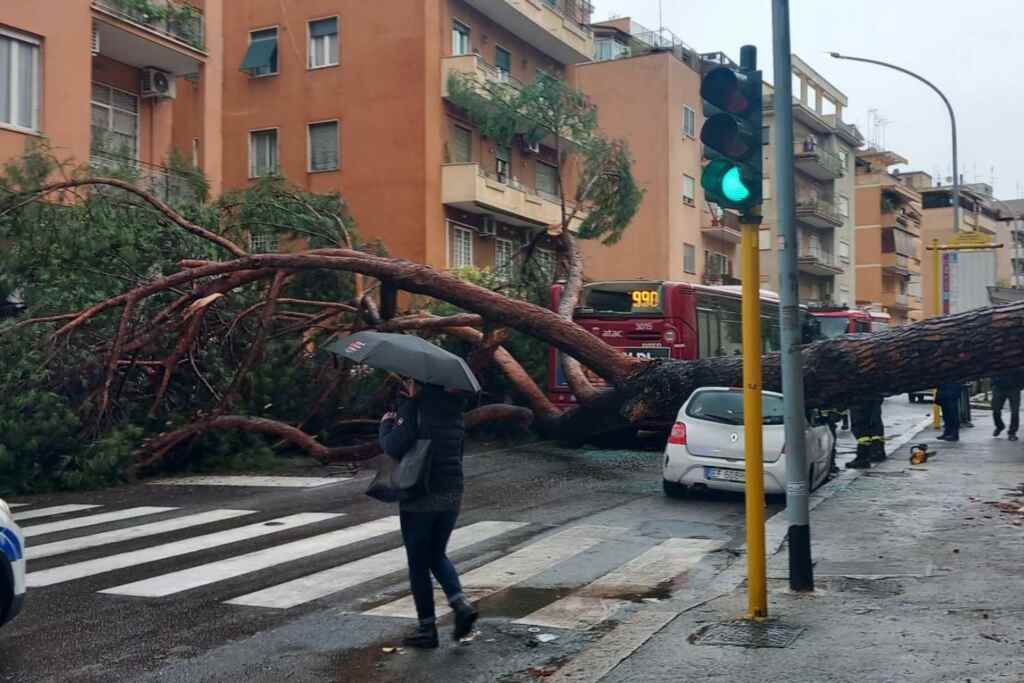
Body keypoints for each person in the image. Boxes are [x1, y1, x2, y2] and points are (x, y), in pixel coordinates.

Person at [379, 381, 478, 649]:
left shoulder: (414, 407)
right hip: (452, 492)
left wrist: (386, 424)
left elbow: (393, 446)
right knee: (437, 554)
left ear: (418, 383)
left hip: (420, 493)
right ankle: (460, 605)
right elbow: (458, 452)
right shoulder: (456, 410)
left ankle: (427, 629)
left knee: (418, 563)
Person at [846, 398, 885, 469]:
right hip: (873, 397)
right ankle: (877, 451)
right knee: (874, 423)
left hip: (859, 399)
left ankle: (863, 458)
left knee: (860, 427)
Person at [991, 372, 1024, 441]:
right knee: (995, 409)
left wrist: (1020, 386)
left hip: (1014, 388)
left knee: (1015, 411)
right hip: (998, 387)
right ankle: (1000, 426)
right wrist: (993, 382)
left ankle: (1012, 433)